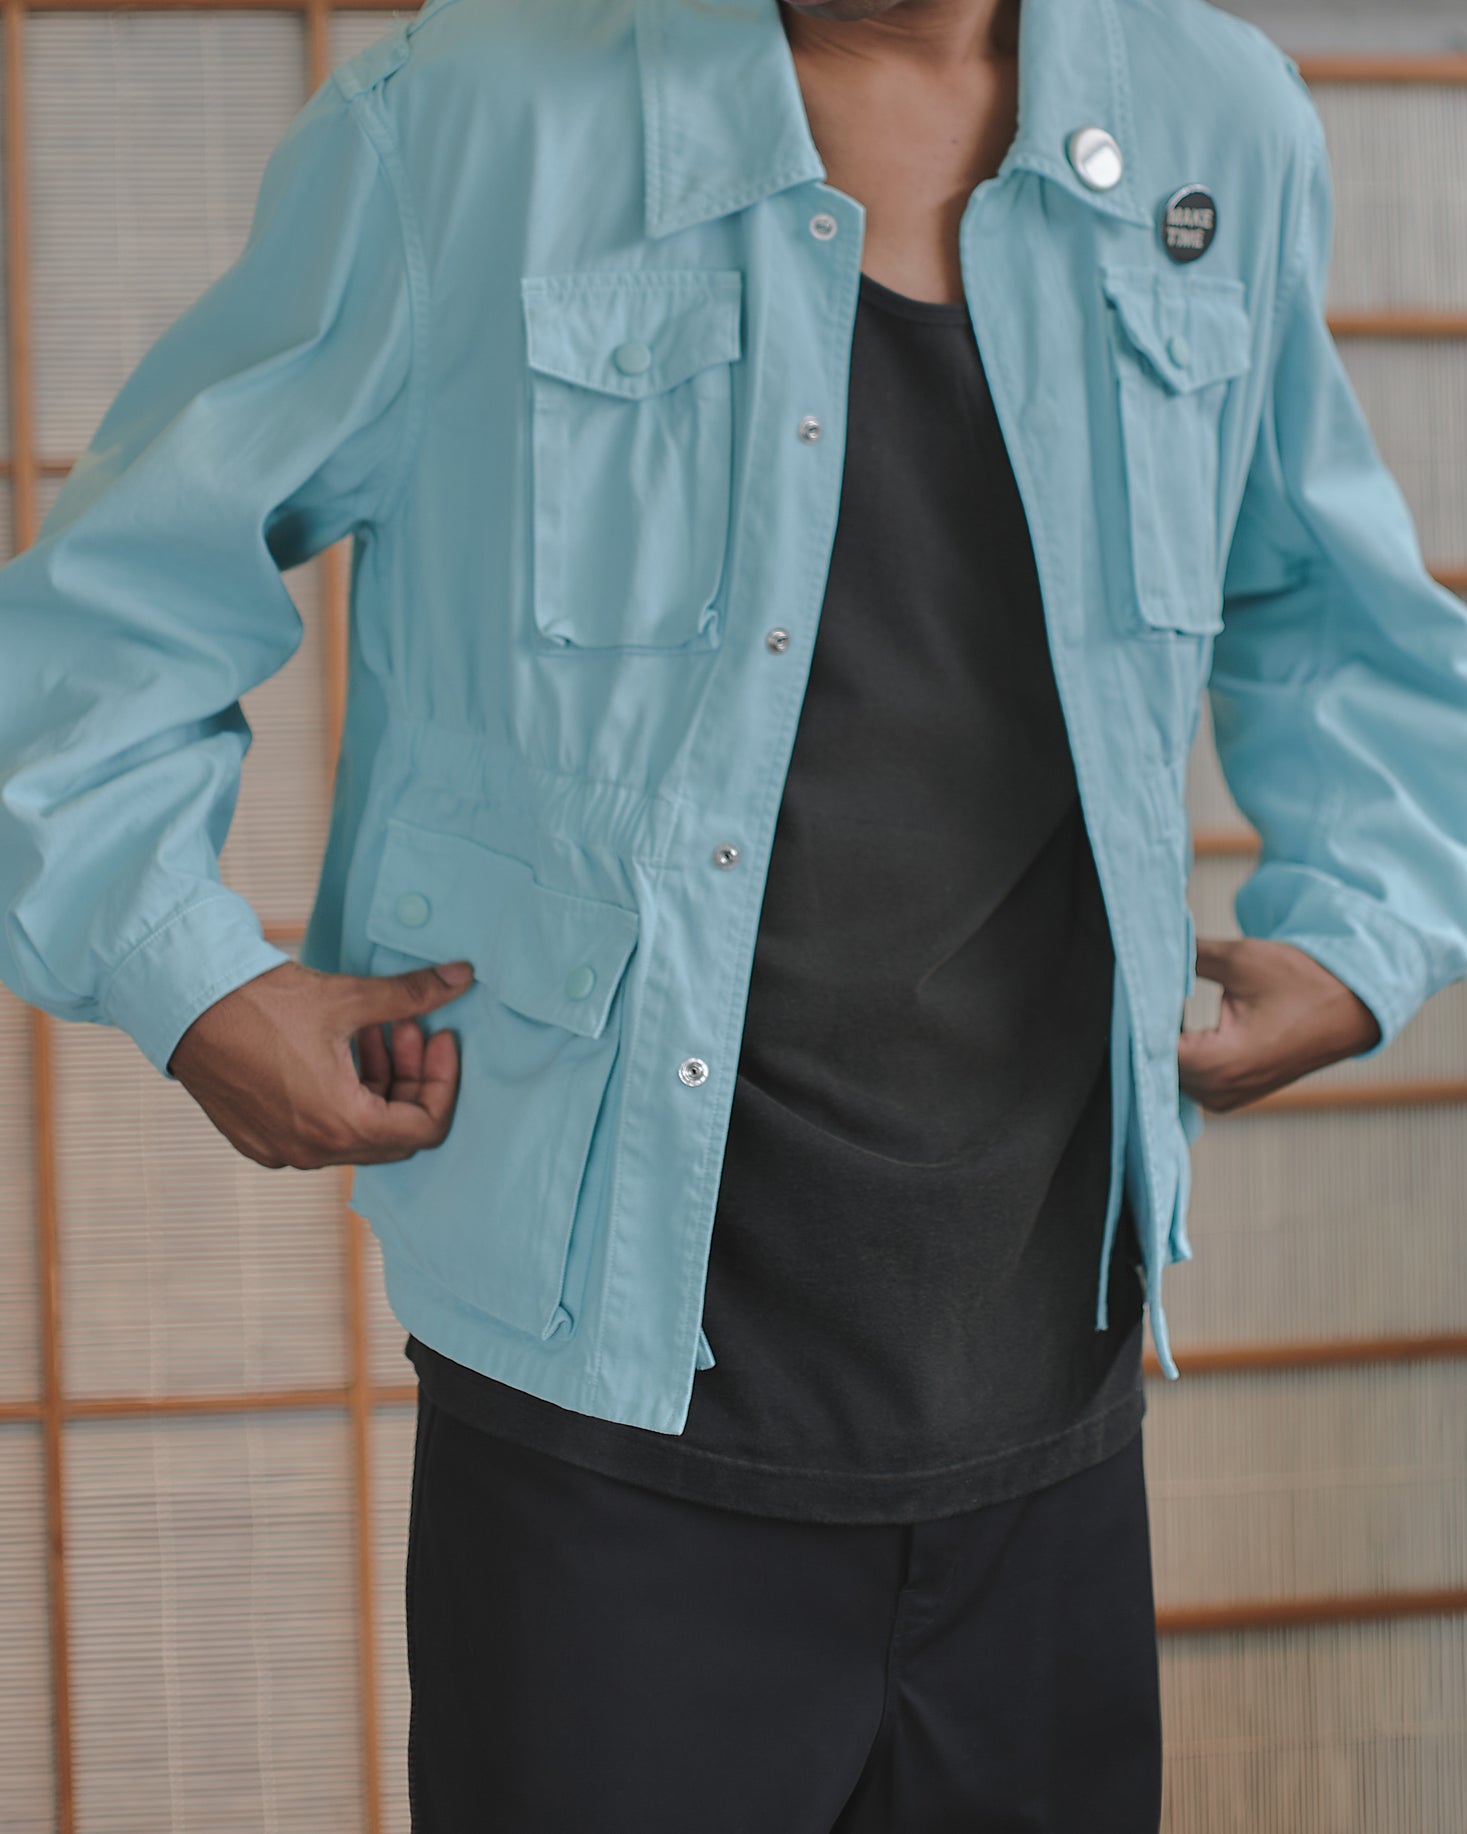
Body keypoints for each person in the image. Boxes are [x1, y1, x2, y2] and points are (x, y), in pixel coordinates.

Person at [1, 0, 1464, 1827]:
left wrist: (1363, 932)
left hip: (1053, 1407)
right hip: (600, 1441)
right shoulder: (458, 122)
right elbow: (111, 617)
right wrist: (188, 978)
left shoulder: (1219, 119)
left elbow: (1330, 602)